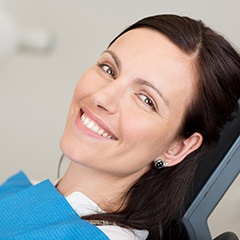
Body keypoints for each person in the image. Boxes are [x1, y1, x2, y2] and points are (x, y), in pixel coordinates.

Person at [1, 14, 240, 240]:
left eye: (146, 100)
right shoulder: (24, 190)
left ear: (177, 148)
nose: (102, 97)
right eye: (109, 69)